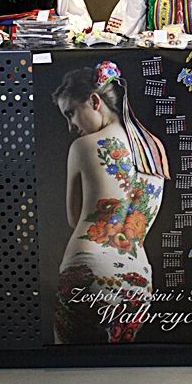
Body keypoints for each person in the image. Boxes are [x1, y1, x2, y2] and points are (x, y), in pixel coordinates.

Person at [52, 61, 169, 344]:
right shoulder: (154, 148)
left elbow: (74, 218)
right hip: (138, 279)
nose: (70, 126)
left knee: (70, 362)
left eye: (71, 113)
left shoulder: (82, 147)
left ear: (94, 101)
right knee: (117, 363)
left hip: (87, 269)